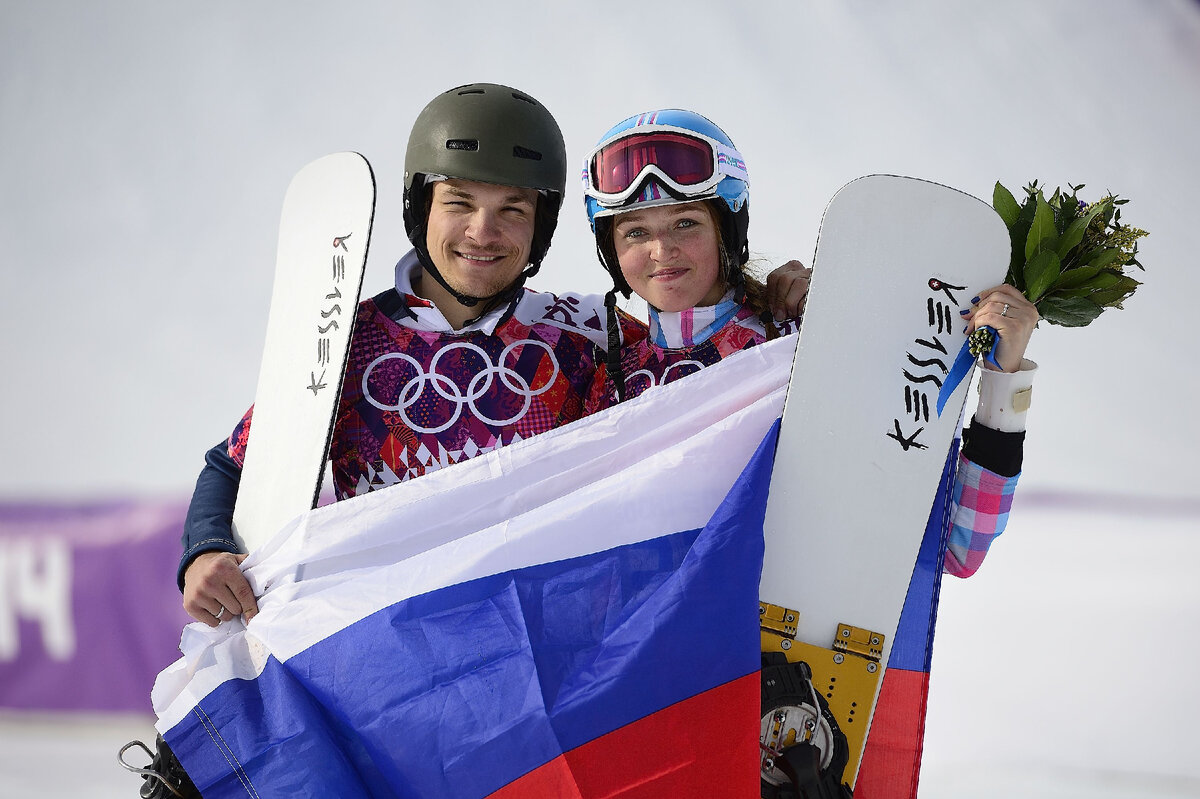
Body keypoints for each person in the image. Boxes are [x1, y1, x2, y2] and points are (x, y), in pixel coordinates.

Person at [577, 108, 1039, 794]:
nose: (661, 250)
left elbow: (958, 544)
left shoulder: (803, 347)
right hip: (646, 715)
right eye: (635, 231)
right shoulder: (593, 376)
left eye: (685, 224)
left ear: (728, 230)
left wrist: (1003, 384)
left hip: (787, 715)